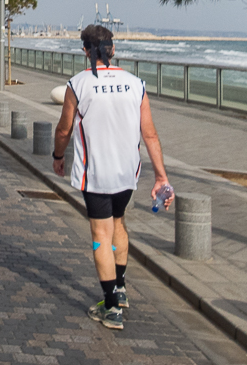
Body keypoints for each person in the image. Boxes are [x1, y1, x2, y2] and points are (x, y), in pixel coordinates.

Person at [52, 24, 173, 331]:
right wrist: (161, 177)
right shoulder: (136, 83)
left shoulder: (78, 84)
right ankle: (119, 286)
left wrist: (57, 156)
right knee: (119, 223)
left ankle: (111, 306)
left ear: (84, 51)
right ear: (113, 49)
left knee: (99, 238)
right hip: (127, 174)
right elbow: (150, 134)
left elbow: (64, 129)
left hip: (96, 175)